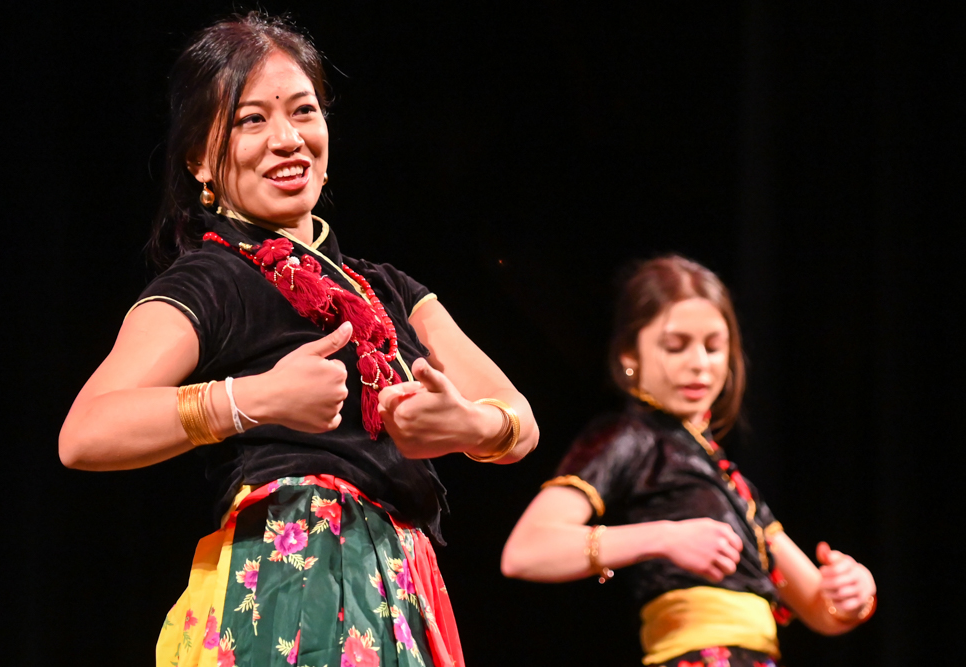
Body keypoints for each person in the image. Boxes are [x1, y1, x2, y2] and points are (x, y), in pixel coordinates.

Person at [59, 12, 537, 667]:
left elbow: (521, 421)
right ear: (200, 158)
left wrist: (471, 424)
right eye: (252, 120)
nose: (288, 139)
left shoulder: (390, 290)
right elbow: (86, 431)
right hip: (285, 593)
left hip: (399, 593)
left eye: (303, 111)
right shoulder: (211, 280)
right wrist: (254, 398)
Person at [500, 256, 874, 666]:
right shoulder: (630, 436)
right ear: (630, 354)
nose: (698, 363)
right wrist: (665, 537)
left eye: (714, 347)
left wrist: (854, 592)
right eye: (675, 346)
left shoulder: (732, 482)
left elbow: (822, 610)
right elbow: (526, 551)